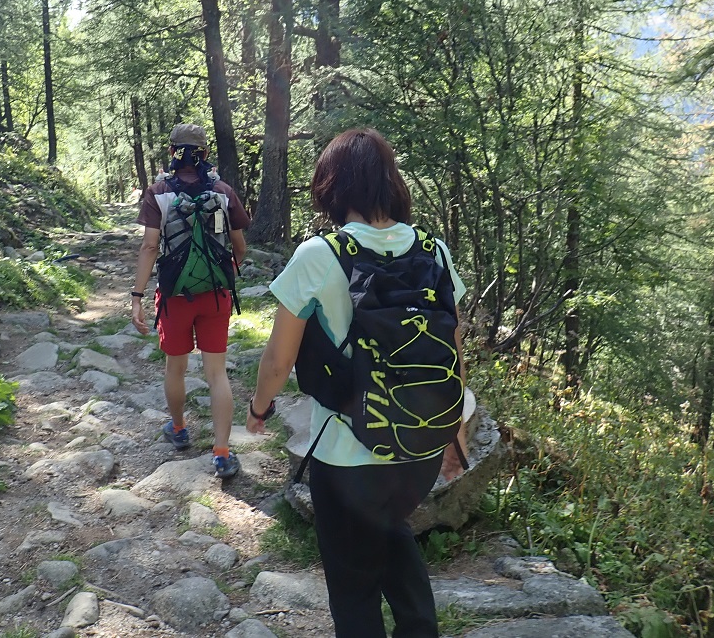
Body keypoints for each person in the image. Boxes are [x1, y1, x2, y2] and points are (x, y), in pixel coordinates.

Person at [245, 127, 468, 638]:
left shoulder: (320, 254)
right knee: (390, 533)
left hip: (348, 453)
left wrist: (259, 409)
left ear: (332, 185)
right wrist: (452, 434)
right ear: (392, 182)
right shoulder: (434, 250)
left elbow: (279, 358)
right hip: (419, 446)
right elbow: (453, 351)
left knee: (353, 588)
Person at [131, 123, 252, 479]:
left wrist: (137, 296)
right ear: (205, 153)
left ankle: (179, 429)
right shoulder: (222, 191)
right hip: (215, 295)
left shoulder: (158, 192)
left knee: (176, 367)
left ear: (172, 152)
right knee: (217, 374)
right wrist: (224, 272)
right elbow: (240, 247)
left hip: (175, 296)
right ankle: (222, 453)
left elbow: (150, 246)